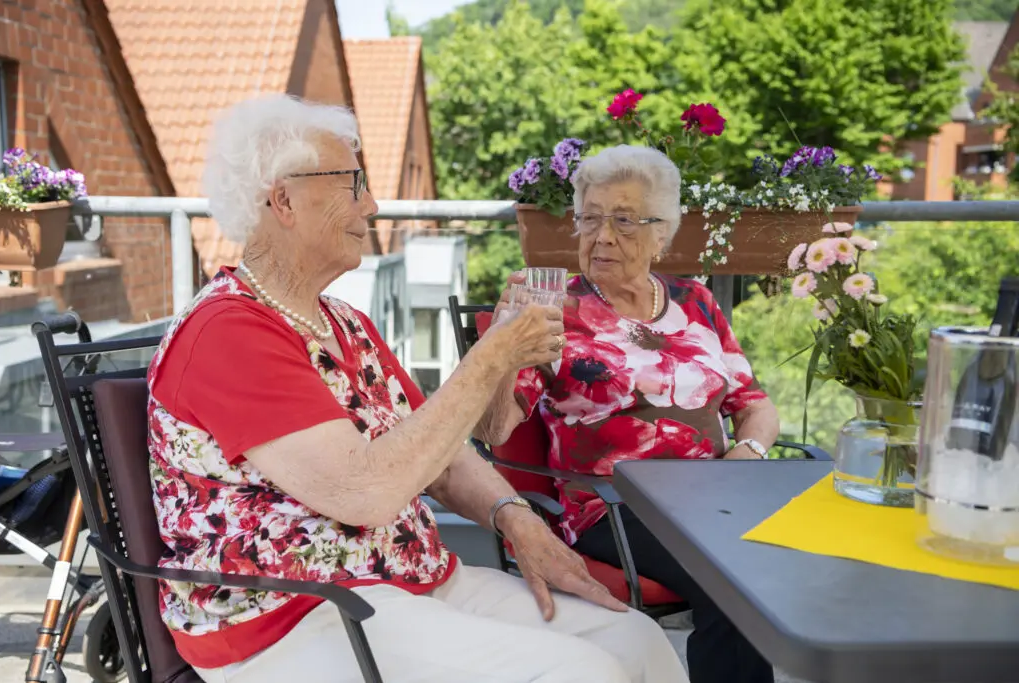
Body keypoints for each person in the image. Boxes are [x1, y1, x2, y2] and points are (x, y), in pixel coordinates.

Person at [146, 96, 688, 683]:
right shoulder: (230, 333)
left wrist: (518, 520)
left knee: (636, 639)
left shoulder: (344, 322)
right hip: (295, 613)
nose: (373, 206)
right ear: (283, 200)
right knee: (579, 674)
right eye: (352, 185)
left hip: (409, 579)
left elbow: (442, 455)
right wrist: (493, 356)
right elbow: (363, 492)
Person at [476, 145, 781, 683]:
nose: (603, 236)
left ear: (661, 233)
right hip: (612, 505)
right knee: (735, 578)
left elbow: (754, 407)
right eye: (590, 218)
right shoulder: (553, 313)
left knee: (795, 557)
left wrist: (744, 455)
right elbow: (494, 430)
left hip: (714, 496)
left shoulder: (696, 302)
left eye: (623, 220)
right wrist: (503, 346)